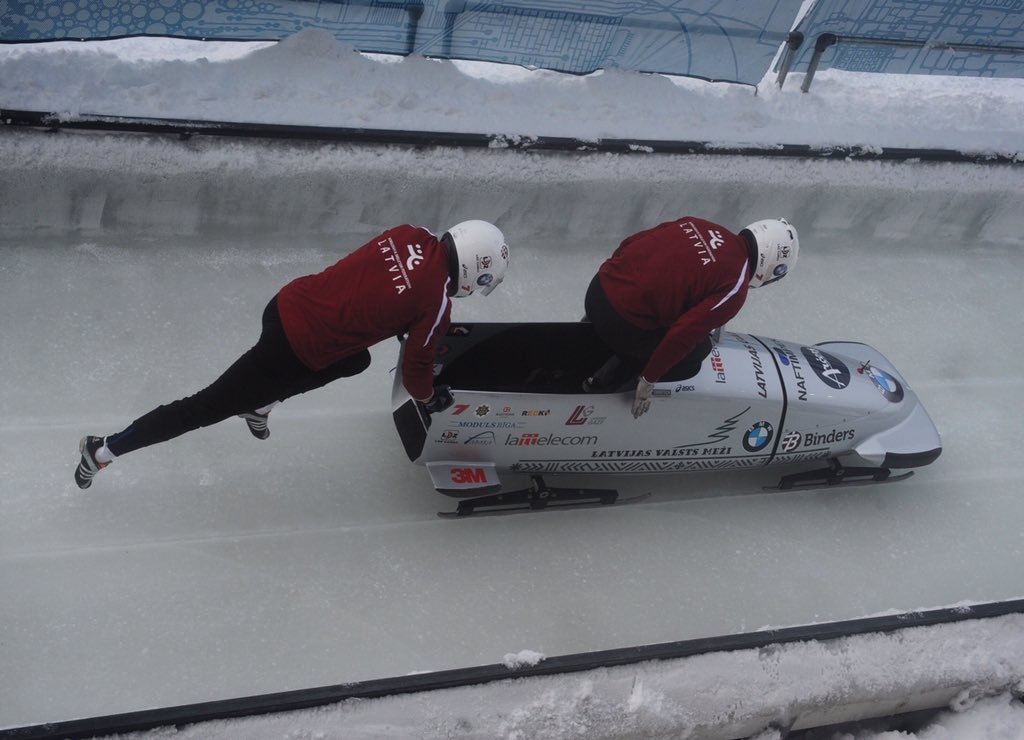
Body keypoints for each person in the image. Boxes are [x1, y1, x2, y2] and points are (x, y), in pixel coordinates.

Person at [73, 220, 510, 489]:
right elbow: (416, 376)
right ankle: (104, 449)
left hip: (286, 303)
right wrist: (431, 397)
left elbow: (382, 289)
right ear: (475, 267)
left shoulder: (408, 232)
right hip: (295, 348)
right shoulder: (435, 303)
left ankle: (262, 403)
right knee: (202, 407)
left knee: (356, 359)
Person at [583, 216, 799, 418]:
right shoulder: (735, 288)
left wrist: (614, 279)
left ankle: (589, 329)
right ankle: (606, 384)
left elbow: (632, 241)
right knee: (698, 350)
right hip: (620, 323)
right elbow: (683, 334)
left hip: (597, 290)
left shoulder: (699, 224)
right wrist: (648, 381)